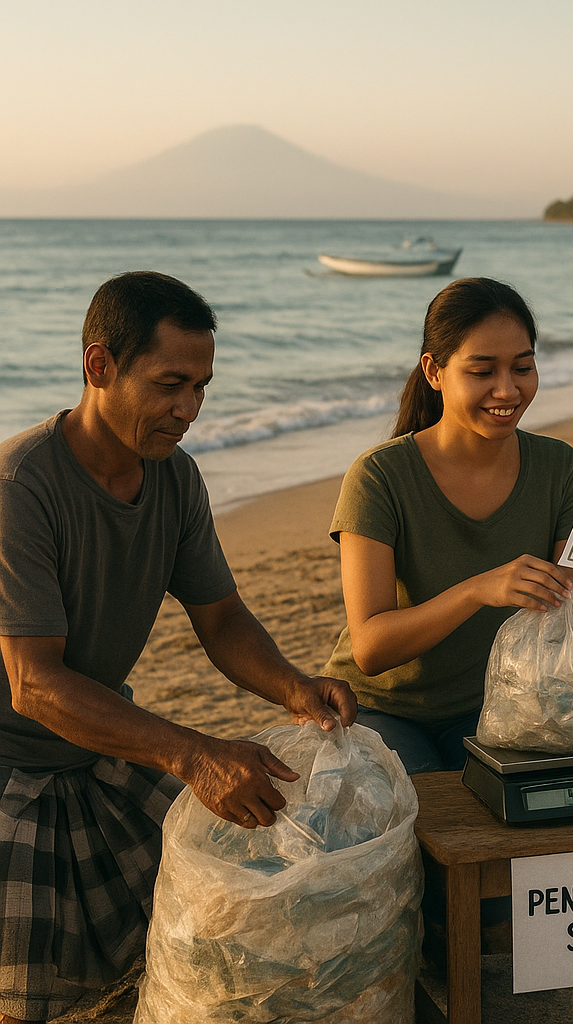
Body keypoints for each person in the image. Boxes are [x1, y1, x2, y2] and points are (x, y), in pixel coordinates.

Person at [0, 271, 357, 1024]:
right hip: (12, 766)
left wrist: (295, 688)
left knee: (214, 911)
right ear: (100, 367)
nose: (188, 409)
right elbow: (33, 684)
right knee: (26, 992)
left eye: (201, 387)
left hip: (103, 747)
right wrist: (194, 754)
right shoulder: (18, 486)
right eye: (170, 385)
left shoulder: (175, 479)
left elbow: (222, 620)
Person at [320, 277, 573, 775]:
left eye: (523, 367)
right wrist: (480, 589)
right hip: (383, 709)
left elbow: (565, 609)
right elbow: (371, 647)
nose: (507, 389)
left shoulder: (559, 467)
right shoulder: (378, 476)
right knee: (431, 817)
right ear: (434, 371)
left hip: (501, 705)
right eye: (482, 371)